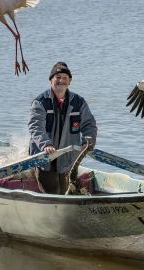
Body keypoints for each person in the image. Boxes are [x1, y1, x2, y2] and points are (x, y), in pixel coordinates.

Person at [29, 62, 97, 194]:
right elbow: (35, 127)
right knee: (53, 192)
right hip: (45, 158)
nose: (61, 80)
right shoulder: (40, 102)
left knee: (67, 191)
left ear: (70, 81)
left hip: (68, 159)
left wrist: (87, 142)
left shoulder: (79, 102)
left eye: (65, 78)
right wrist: (45, 144)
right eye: (57, 77)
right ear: (51, 80)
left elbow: (89, 124)